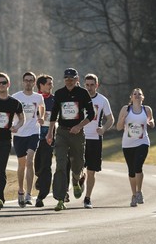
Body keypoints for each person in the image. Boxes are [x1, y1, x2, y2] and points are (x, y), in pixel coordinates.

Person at [46, 68, 95, 211]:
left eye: (72, 78)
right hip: (62, 132)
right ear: (64, 79)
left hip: (77, 134)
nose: (69, 81)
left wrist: (79, 126)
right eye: (67, 78)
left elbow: (91, 114)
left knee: (78, 164)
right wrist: (50, 133)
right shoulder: (59, 93)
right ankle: (60, 198)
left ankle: (76, 180)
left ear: (77, 79)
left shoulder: (83, 93)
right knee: (60, 164)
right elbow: (54, 114)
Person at [0, 73, 24, 210]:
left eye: (3, 82)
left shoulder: (14, 103)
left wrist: (16, 127)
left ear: (8, 84)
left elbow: (21, 118)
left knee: (1, 170)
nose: (1, 85)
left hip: (5, 141)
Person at [116, 88, 155, 207]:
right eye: (135, 94)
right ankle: (133, 195)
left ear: (143, 97)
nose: (137, 96)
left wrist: (151, 122)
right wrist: (123, 118)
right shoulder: (125, 109)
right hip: (128, 144)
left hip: (142, 142)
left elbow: (151, 120)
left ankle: (139, 192)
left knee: (138, 166)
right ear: (131, 97)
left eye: (139, 94)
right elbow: (118, 127)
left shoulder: (147, 109)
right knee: (131, 171)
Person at [12, 71, 44, 207]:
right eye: (26, 80)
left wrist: (41, 117)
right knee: (22, 164)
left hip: (33, 131)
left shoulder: (38, 97)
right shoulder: (16, 97)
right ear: (23, 82)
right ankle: (21, 189)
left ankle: (29, 194)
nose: (28, 83)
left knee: (30, 161)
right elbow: (10, 113)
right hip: (19, 133)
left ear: (34, 83)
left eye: (31, 80)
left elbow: (42, 107)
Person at [82, 73, 114, 209]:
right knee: (77, 168)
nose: (89, 88)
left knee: (91, 171)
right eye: (87, 85)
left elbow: (111, 119)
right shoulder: (79, 98)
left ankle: (87, 198)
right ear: (84, 85)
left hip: (95, 138)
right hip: (80, 138)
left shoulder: (102, 100)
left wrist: (104, 128)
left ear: (97, 85)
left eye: (92, 85)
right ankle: (78, 179)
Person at [34, 74, 55, 208]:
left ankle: (42, 195)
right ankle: (39, 177)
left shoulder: (55, 100)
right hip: (34, 135)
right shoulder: (34, 99)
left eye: (51, 83)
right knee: (37, 165)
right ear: (41, 85)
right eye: (48, 83)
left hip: (49, 135)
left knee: (46, 165)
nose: (51, 86)